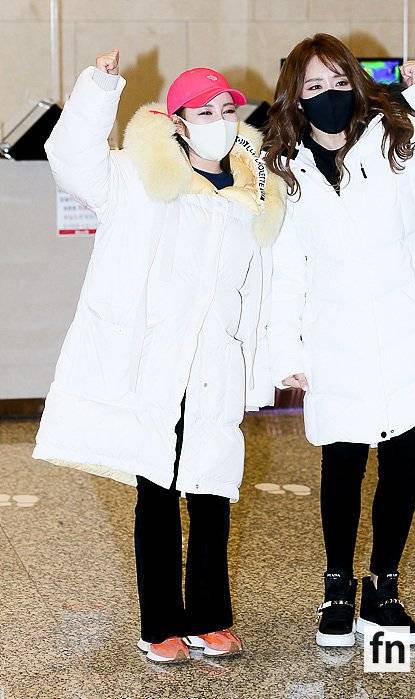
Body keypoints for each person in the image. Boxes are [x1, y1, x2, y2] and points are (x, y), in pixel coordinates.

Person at [32, 49, 286, 663]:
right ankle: (160, 625)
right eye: (203, 112)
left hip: (216, 365)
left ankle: (210, 618)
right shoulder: (136, 178)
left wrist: (271, 362)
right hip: (155, 364)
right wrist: (99, 89)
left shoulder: (254, 194)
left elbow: (264, 288)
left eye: (226, 110)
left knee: (213, 490)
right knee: (158, 490)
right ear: (177, 122)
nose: (218, 121)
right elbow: (70, 159)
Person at [263, 33, 415, 648]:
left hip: (407, 330)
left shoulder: (395, 139)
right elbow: (286, 267)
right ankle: (337, 587)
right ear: (295, 97)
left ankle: (384, 588)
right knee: (342, 464)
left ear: (357, 85)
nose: (330, 95)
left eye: (340, 82)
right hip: (335, 338)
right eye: (315, 86)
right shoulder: (285, 170)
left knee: (401, 465)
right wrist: (287, 351)